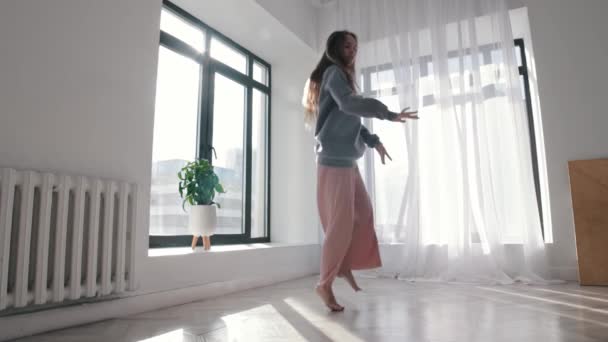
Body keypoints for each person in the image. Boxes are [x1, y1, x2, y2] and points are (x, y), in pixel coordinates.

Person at [303, 30, 418, 312]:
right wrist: (388, 113)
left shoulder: (343, 79)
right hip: (333, 161)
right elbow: (349, 105)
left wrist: (374, 142)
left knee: (363, 214)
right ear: (335, 48)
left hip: (347, 161)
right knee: (339, 226)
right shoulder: (333, 73)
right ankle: (324, 284)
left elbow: (350, 118)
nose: (353, 50)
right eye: (347, 45)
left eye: (355, 46)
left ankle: (342, 266)